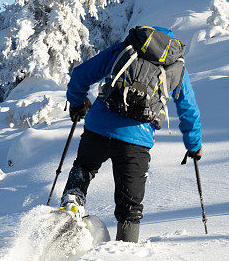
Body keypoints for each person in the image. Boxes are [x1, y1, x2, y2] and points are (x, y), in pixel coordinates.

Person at [60, 25, 202, 243]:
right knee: (130, 209)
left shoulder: (127, 48)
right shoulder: (176, 66)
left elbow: (82, 74)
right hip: (136, 140)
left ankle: (72, 202)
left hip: (98, 126)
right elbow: (188, 110)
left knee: (84, 168)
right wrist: (194, 146)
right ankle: (124, 253)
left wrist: (77, 103)